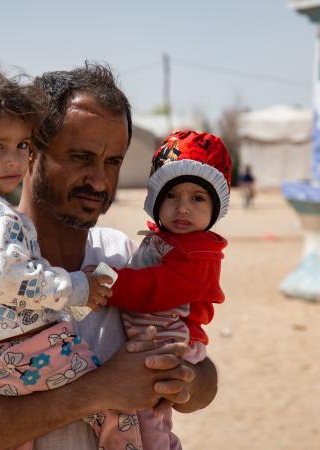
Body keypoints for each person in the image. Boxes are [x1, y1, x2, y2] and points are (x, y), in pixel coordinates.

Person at [0, 62, 219, 450]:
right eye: (81, 157)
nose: (99, 180)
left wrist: (184, 380)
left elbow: (205, 377)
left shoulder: (131, 259)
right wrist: (100, 390)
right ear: (31, 152)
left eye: (113, 162)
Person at [105, 130, 230, 450]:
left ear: (215, 210)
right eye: (172, 196)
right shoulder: (167, 241)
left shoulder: (200, 253)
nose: (183, 208)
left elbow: (156, 289)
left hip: (170, 341)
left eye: (198, 198)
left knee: (149, 421)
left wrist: (108, 284)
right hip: (154, 336)